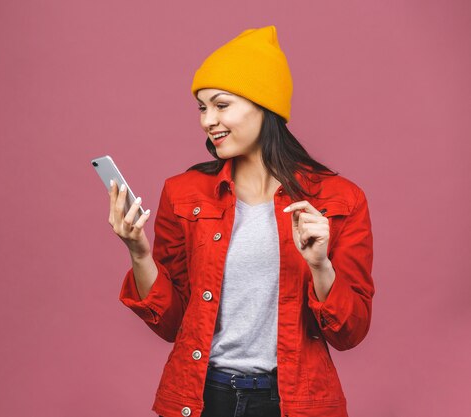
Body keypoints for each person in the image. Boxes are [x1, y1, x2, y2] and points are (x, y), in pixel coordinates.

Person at [108, 25, 374, 417]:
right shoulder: (184, 194)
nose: (207, 120)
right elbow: (172, 325)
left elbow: (349, 333)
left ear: (263, 105)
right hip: (202, 398)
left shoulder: (338, 200)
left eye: (221, 104)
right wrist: (139, 252)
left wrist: (320, 266)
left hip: (292, 401)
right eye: (202, 108)